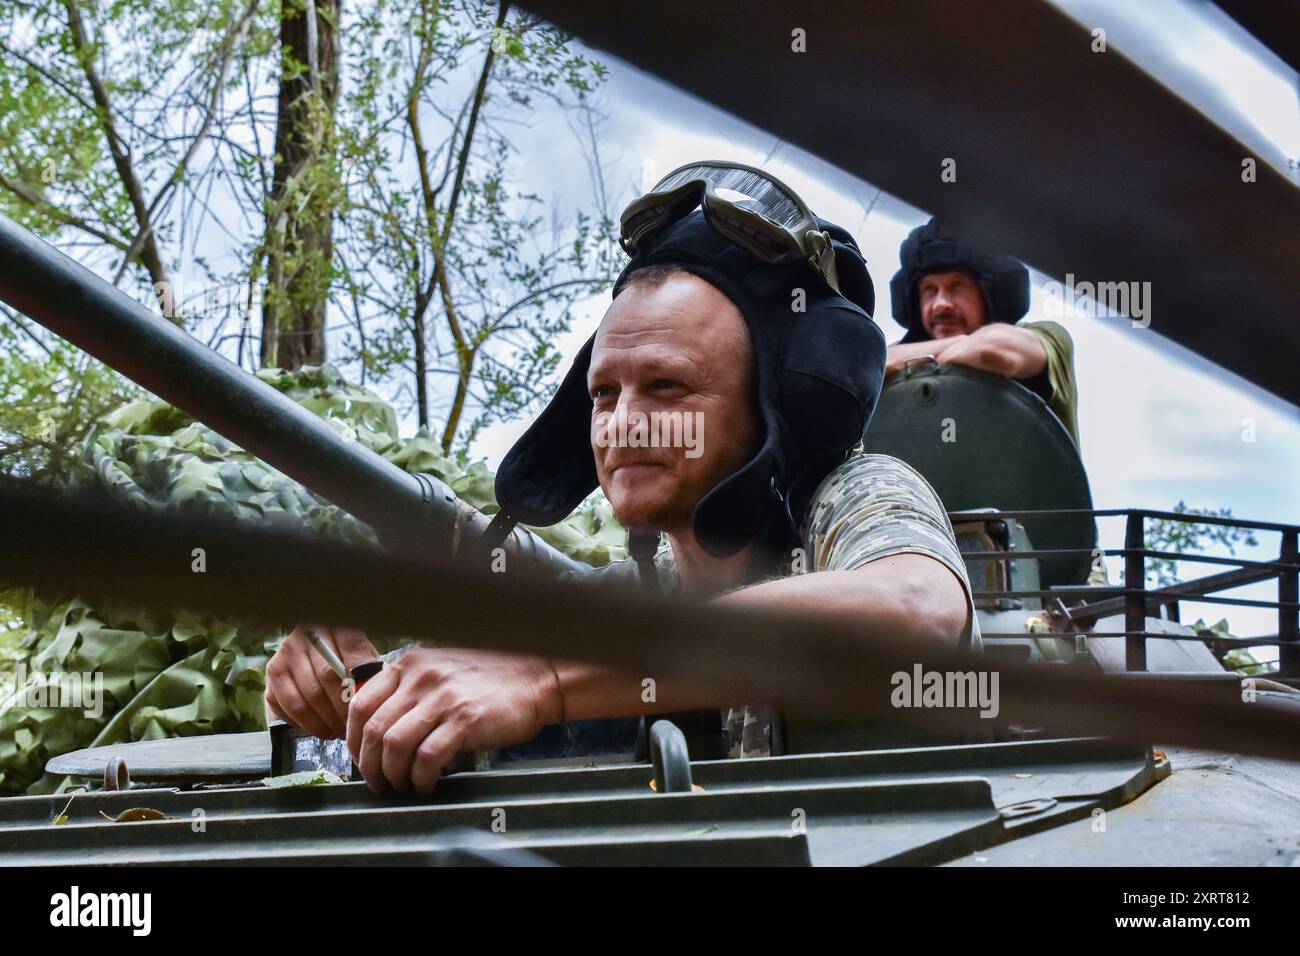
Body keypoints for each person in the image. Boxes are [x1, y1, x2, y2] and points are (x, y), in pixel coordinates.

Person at [265, 162, 981, 795]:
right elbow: (449, 682)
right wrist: (342, 685)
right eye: (603, 394)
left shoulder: (853, 499)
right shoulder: (638, 592)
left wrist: (544, 677)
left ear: (782, 405)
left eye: (668, 387)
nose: (621, 424)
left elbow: (915, 608)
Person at [885, 218, 1081, 448]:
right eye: (929, 289)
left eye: (957, 286)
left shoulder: (1048, 337)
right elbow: (871, 364)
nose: (941, 304)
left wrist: (921, 357)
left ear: (989, 292)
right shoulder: (898, 357)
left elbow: (991, 351)